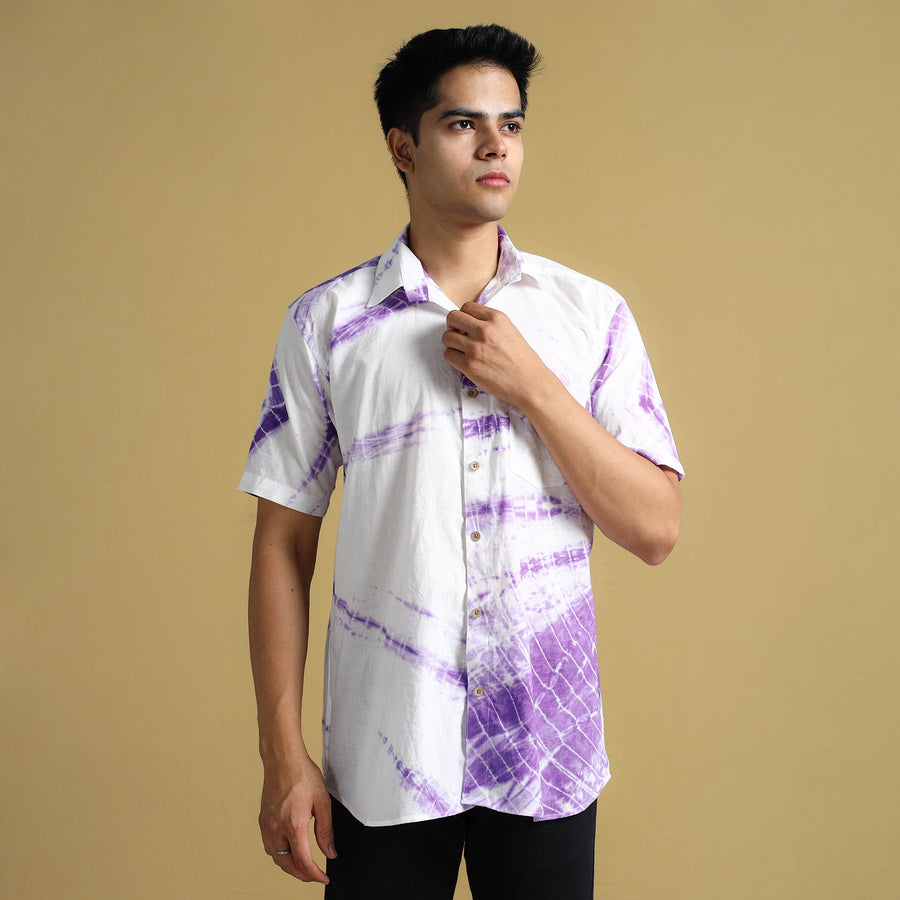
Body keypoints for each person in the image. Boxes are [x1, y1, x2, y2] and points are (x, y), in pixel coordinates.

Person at [239, 23, 683, 899]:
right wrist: (283, 757)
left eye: (511, 125)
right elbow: (281, 546)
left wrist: (535, 387)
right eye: (462, 124)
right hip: (385, 753)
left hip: (546, 755)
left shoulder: (589, 316)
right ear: (403, 147)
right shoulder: (329, 324)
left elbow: (656, 529)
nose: (495, 146)